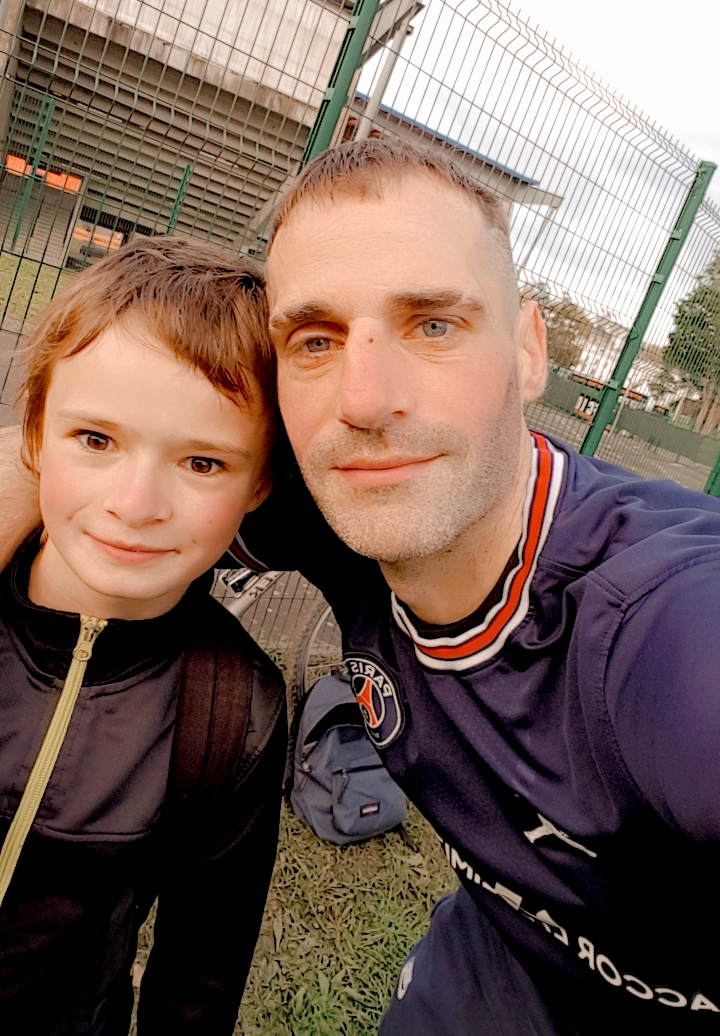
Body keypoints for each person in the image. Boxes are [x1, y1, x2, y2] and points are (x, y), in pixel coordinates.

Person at [3, 139, 720, 1034]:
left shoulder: (661, 614)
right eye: (316, 339)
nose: (366, 399)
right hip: (486, 979)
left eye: (434, 325)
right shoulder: (327, 494)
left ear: (528, 348)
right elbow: (93, 436)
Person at [0, 236, 285, 1035]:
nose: (135, 504)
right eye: (96, 440)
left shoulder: (235, 712)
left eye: (202, 463)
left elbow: (200, 975)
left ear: (259, 481)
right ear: (34, 437)